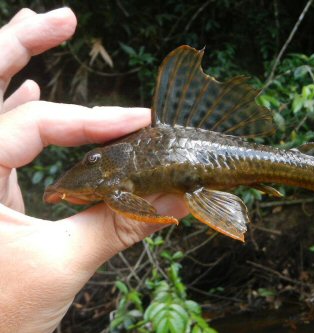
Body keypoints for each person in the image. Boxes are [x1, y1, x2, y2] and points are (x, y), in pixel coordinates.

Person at [0, 7, 188, 332]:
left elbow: (139, 209)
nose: (93, 162)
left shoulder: (114, 175)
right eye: (94, 160)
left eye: (93, 160)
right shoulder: (109, 177)